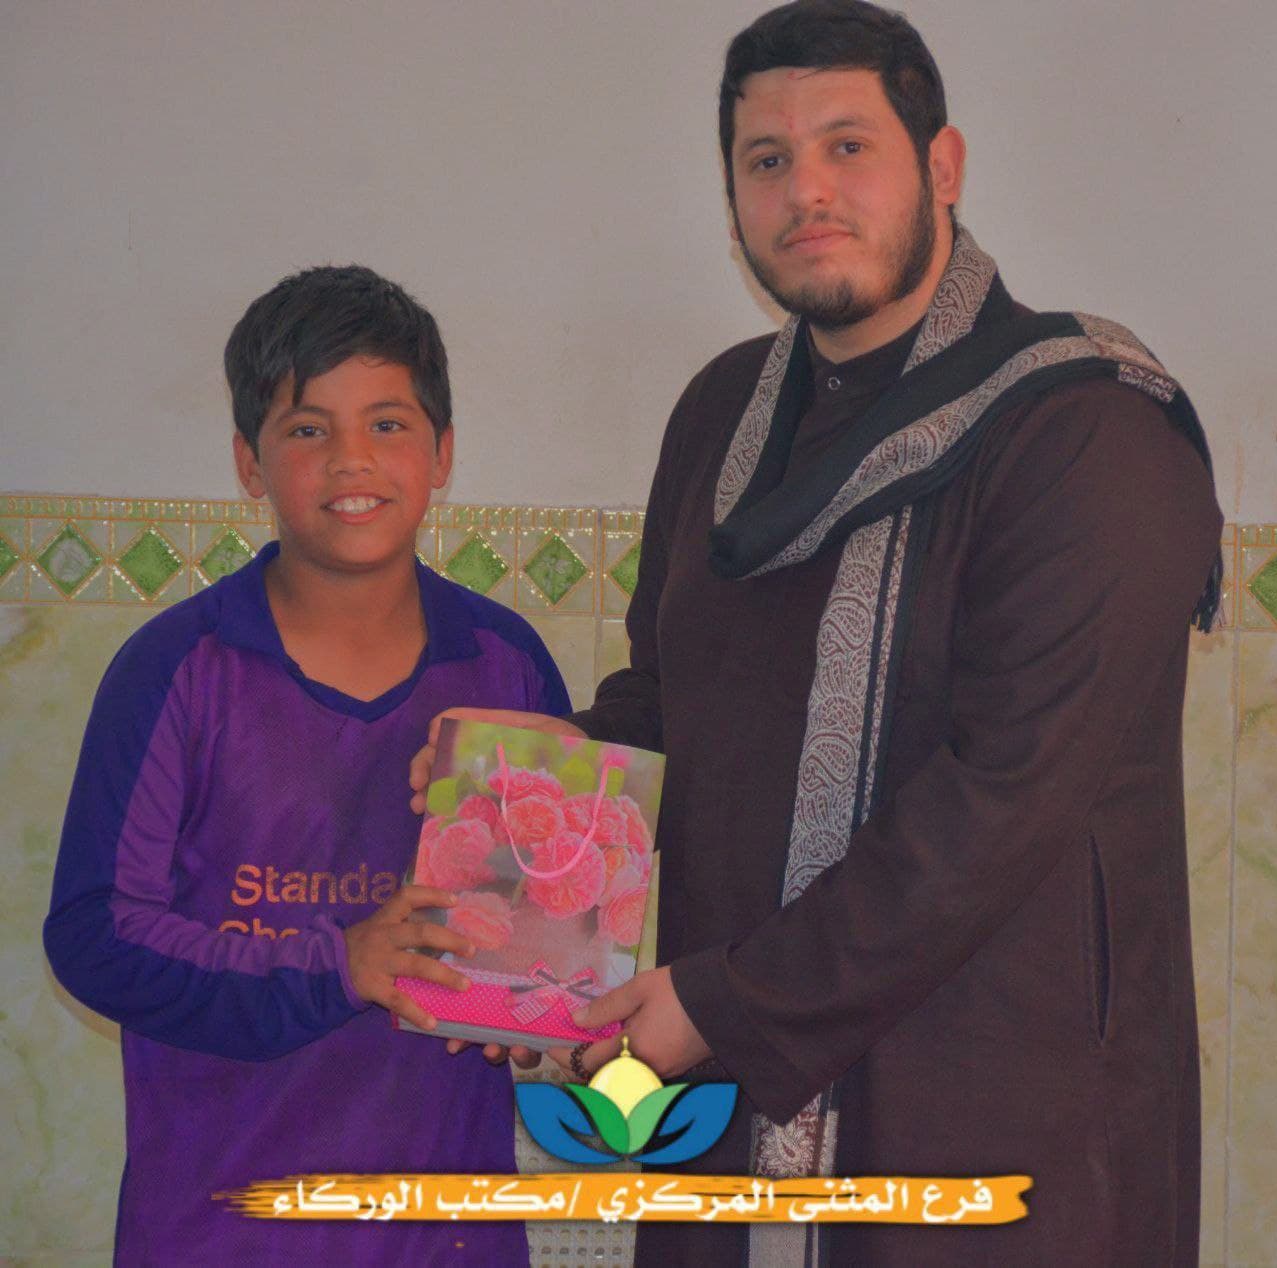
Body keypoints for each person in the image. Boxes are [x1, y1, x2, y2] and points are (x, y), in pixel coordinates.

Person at [413, 3, 1223, 1264]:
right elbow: (669, 703)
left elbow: (1000, 801)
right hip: (728, 1102)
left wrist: (721, 1001)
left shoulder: (1086, 430)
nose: (806, 192)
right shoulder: (720, 413)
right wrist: (532, 789)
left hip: (993, 1115)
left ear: (940, 166)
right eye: (766, 158)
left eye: (848, 146)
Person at [43, 265, 568, 1265]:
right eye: (307, 428)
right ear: (250, 462)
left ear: (443, 452)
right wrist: (339, 965)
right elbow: (95, 934)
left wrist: (547, 1007)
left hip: (444, 1232)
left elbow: (542, 938)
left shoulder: (506, 664)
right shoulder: (175, 669)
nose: (350, 459)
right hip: (220, 1227)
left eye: (387, 423)